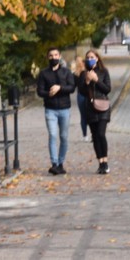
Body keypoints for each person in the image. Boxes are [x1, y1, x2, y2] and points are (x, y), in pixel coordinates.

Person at [37, 47, 76, 175]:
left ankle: (61, 163)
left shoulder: (66, 72)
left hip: (65, 109)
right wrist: (50, 93)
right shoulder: (44, 74)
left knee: (64, 137)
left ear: (59, 56)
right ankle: (54, 163)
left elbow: (71, 88)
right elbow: (39, 91)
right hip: (50, 109)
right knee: (53, 135)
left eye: (56, 55)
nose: (53, 57)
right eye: (51, 56)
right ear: (48, 58)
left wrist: (60, 88)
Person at [77, 49, 112, 174]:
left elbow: (107, 89)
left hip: (103, 106)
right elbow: (82, 92)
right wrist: (87, 81)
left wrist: (96, 80)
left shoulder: (104, 72)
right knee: (95, 136)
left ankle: (106, 162)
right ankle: (100, 162)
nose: (90, 59)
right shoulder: (83, 74)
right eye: (88, 57)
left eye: (92, 57)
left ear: (97, 58)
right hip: (90, 108)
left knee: (101, 134)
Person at [73, 56, 90, 142]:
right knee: (88, 115)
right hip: (86, 95)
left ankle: (85, 135)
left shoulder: (76, 73)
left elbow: (73, 86)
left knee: (83, 116)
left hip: (81, 95)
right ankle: (88, 134)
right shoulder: (85, 72)